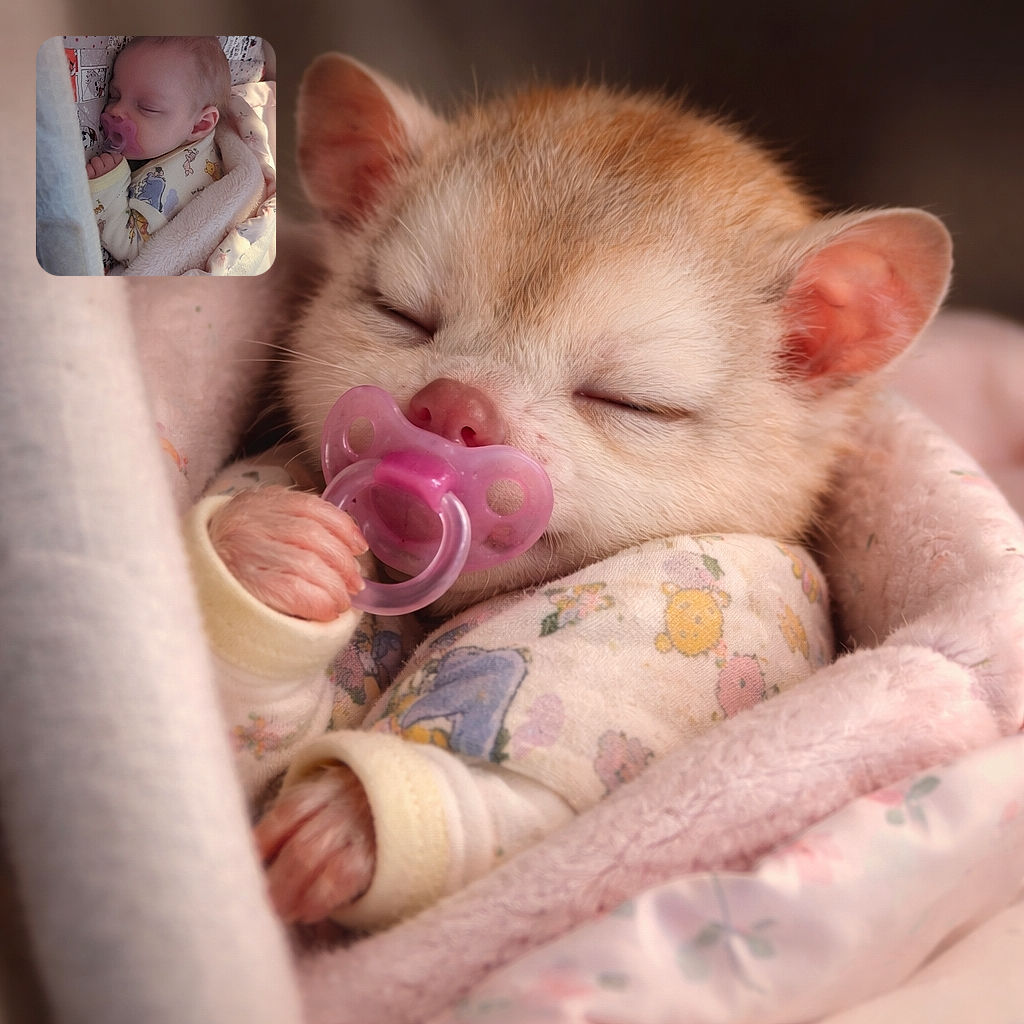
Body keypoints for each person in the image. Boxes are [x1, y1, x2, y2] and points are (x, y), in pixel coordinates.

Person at [85, 36, 230, 270]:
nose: (116, 110)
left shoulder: (175, 179)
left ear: (199, 126)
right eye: (114, 95)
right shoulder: (177, 140)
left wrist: (107, 186)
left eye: (147, 107)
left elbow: (135, 251)